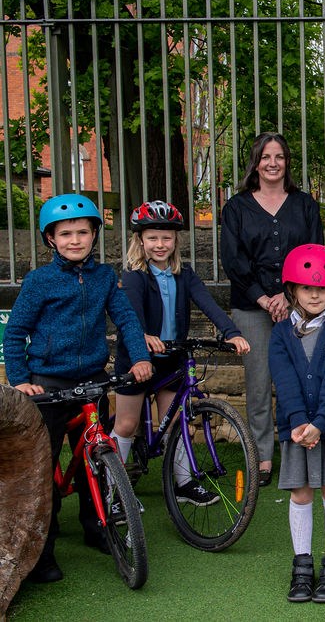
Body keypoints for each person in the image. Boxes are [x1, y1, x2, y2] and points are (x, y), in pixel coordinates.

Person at [3, 193, 153, 584]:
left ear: (93, 235)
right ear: (50, 239)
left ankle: (96, 526)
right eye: (65, 233)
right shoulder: (40, 280)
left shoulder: (104, 277)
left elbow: (126, 320)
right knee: (44, 469)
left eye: (82, 232)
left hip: (92, 381)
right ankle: (42, 550)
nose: (75, 240)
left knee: (94, 460)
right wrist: (20, 380)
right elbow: (16, 331)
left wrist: (139, 358)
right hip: (48, 387)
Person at [112, 200, 251, 509]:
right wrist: (145, 337)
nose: (160, 244)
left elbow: (208, 303)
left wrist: (232, 332)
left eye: (166, 238)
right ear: (140, 241)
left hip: (171, 359)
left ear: (176, 241)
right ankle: (114, 491)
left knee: (176, 421)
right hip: (137, 358)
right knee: (125, 424)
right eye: (152, 238)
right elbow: (129, 313)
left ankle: (185, 483)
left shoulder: (183, 274)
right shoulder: (135, 275)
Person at [222, 131, 324, 486]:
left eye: (279, 157)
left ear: (287, 163)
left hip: (300, 305)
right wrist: (263, 297)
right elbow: (233, 261)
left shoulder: (305, 205)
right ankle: (263, 458)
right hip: (251, 308)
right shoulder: (236, 207)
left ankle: (302, 451)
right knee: (259, 385)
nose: (272, 163)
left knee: (302, 381)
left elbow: (314, 253)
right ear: (255, 162)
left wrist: (285, 292)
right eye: (266, 157)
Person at [269, 244, 325, 604]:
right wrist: (299, 422)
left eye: (322, 288)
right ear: (292, 290)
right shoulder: (280, 333)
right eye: (307, 288)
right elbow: (284, 380)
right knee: (300, 493)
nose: (315, 294)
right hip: (295, 429)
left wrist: (319, 423)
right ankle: (302, 567)